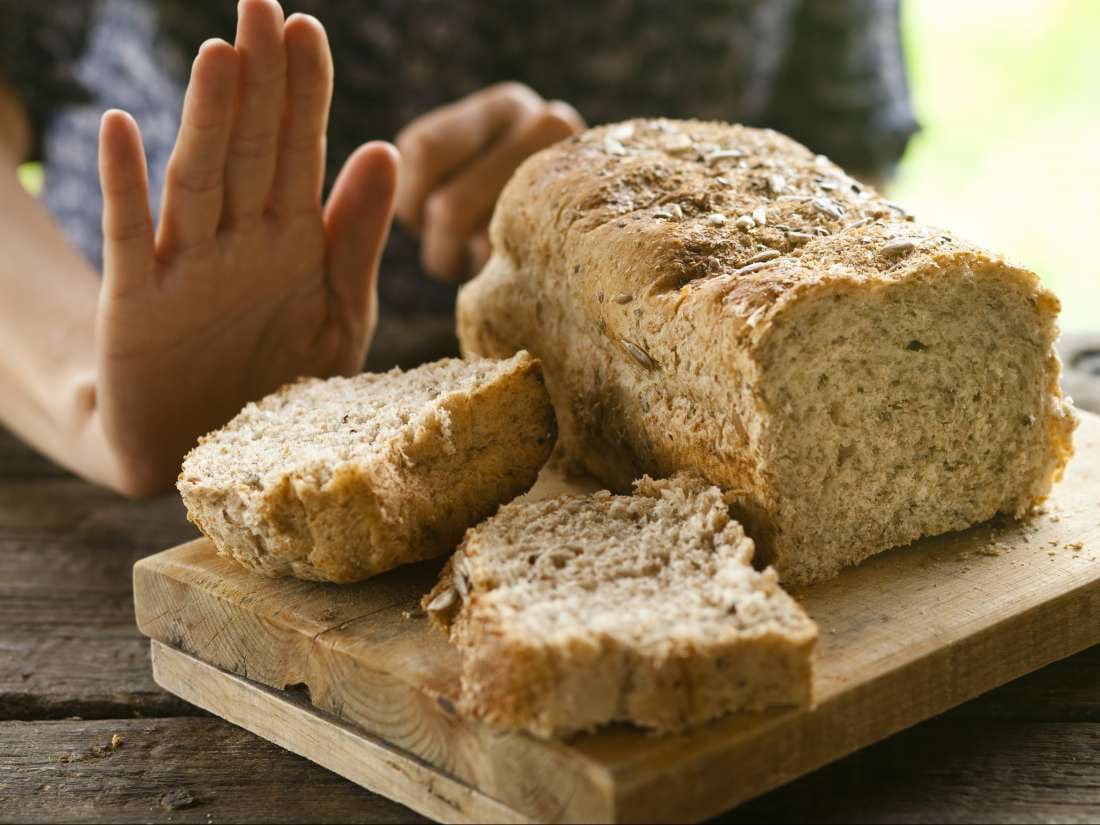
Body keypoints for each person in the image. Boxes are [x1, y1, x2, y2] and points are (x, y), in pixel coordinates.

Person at [0, 0, 917, 496]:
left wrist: (622, 204)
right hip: (76, 463)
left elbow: (837, 168)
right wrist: (85, 389)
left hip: (646, 466)